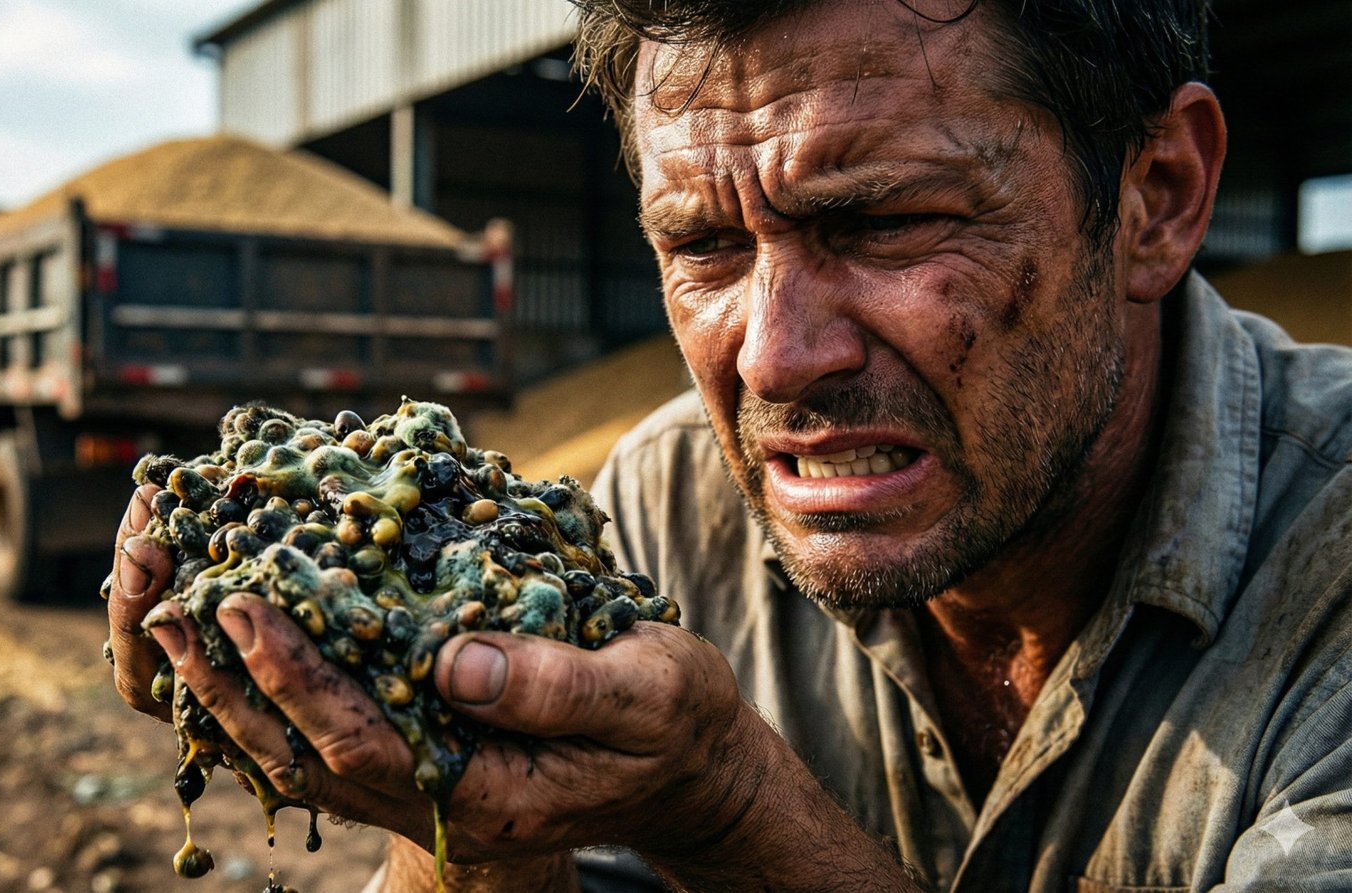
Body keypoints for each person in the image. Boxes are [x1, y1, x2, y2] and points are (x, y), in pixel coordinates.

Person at [107, 1, 1352, 889]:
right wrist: (469, 814)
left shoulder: (1328, 559)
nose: (770, 356)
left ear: (1158, 195)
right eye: (702, 245)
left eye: (884, 220)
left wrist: (727, 804)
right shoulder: (654, 511)